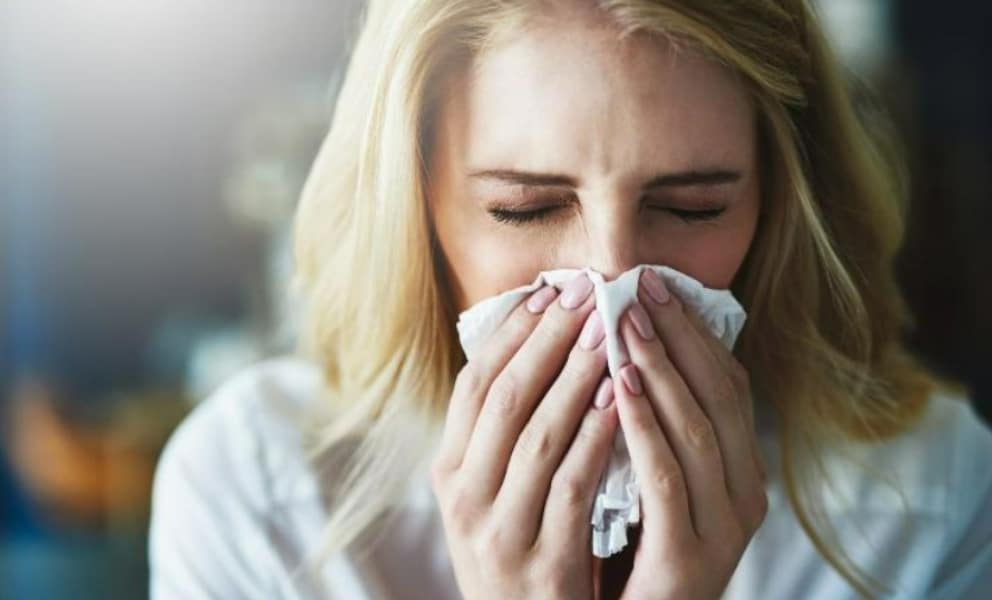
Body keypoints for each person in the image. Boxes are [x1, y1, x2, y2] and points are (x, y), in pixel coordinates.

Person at [149, 1, 992, 598]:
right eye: (527, 208)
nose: (611, 281)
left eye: (690, 207)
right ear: (414, 208)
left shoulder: (932, 502)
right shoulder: (258, 498)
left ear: (776, 205)